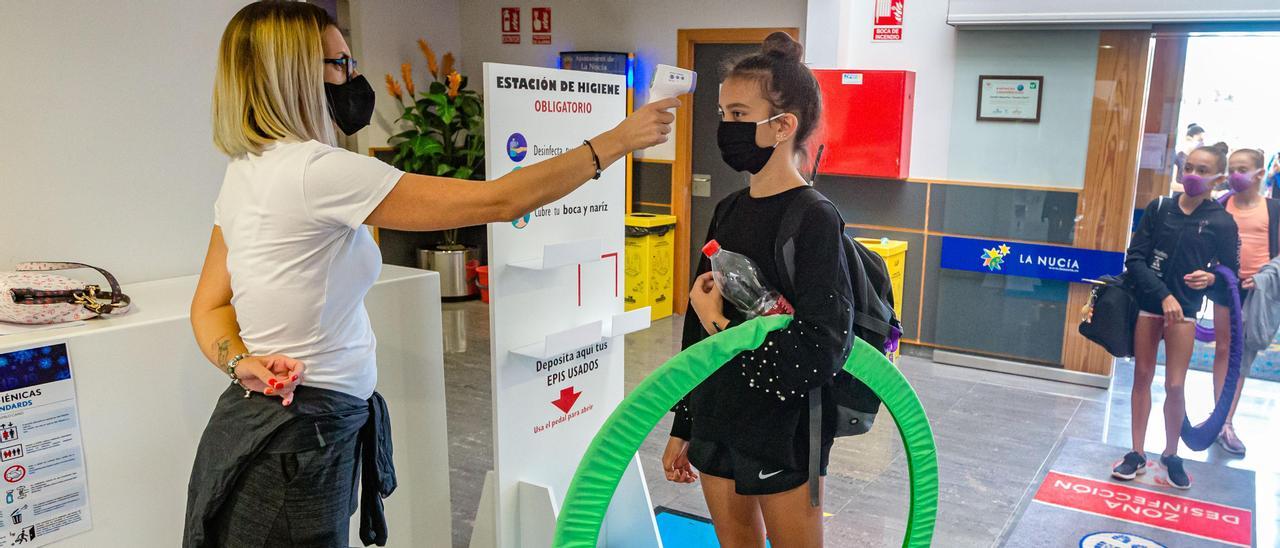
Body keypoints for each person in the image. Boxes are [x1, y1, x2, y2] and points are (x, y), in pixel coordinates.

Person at [182, 2, 676, 546]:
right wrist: (617, 141)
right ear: (294, 74)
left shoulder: (247, 170)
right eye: (340, 65)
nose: (353, 78)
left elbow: (208, 308)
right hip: (298, 441)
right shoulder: (316, 173)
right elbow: (503, 200)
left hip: (282, 429)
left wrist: (239, 362)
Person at [661, 33, 853, 547]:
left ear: (783, 125)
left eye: (740, 114)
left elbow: (822, 348)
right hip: (718, 411)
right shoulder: (727, 210)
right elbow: (694, 329)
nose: (725, 128)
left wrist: (722, 323)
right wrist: (685, 423)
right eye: (723, 113)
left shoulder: (814, 218)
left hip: (783, 425)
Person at [1116, 143, 1239, 490]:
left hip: (1184, 312)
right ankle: (1137, 452)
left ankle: (1171, 454)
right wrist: (1162, 295)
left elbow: (1231, 273)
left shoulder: (1221, 221)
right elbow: (1135, 259)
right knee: (1141, 375)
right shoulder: (1159, 208)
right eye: (1189, 168)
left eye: (1203, 171)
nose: (1193, 176)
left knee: (1174, 384)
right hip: (1150, 306)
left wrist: (1213, 278)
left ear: (1218, 178)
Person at [1206, 148, 1277, 455]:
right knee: (1224, 349)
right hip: (1225, 287)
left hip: (1256, 291)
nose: (1236, 174)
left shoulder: (1273, 209)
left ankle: (1227, 422)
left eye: (1243, 168)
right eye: (1232, 168)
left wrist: (1262, 278)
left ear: (1260, 173)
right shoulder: (1221, 205)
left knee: (1242, 353)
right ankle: (1217, 417)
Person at [1172, 123, 1206, 194]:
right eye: (1200, 140)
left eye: (1203, 141)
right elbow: (1172, 185)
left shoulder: (1200, 162)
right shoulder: (1178, 158)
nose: (1202, 143)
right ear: (1189, 139)